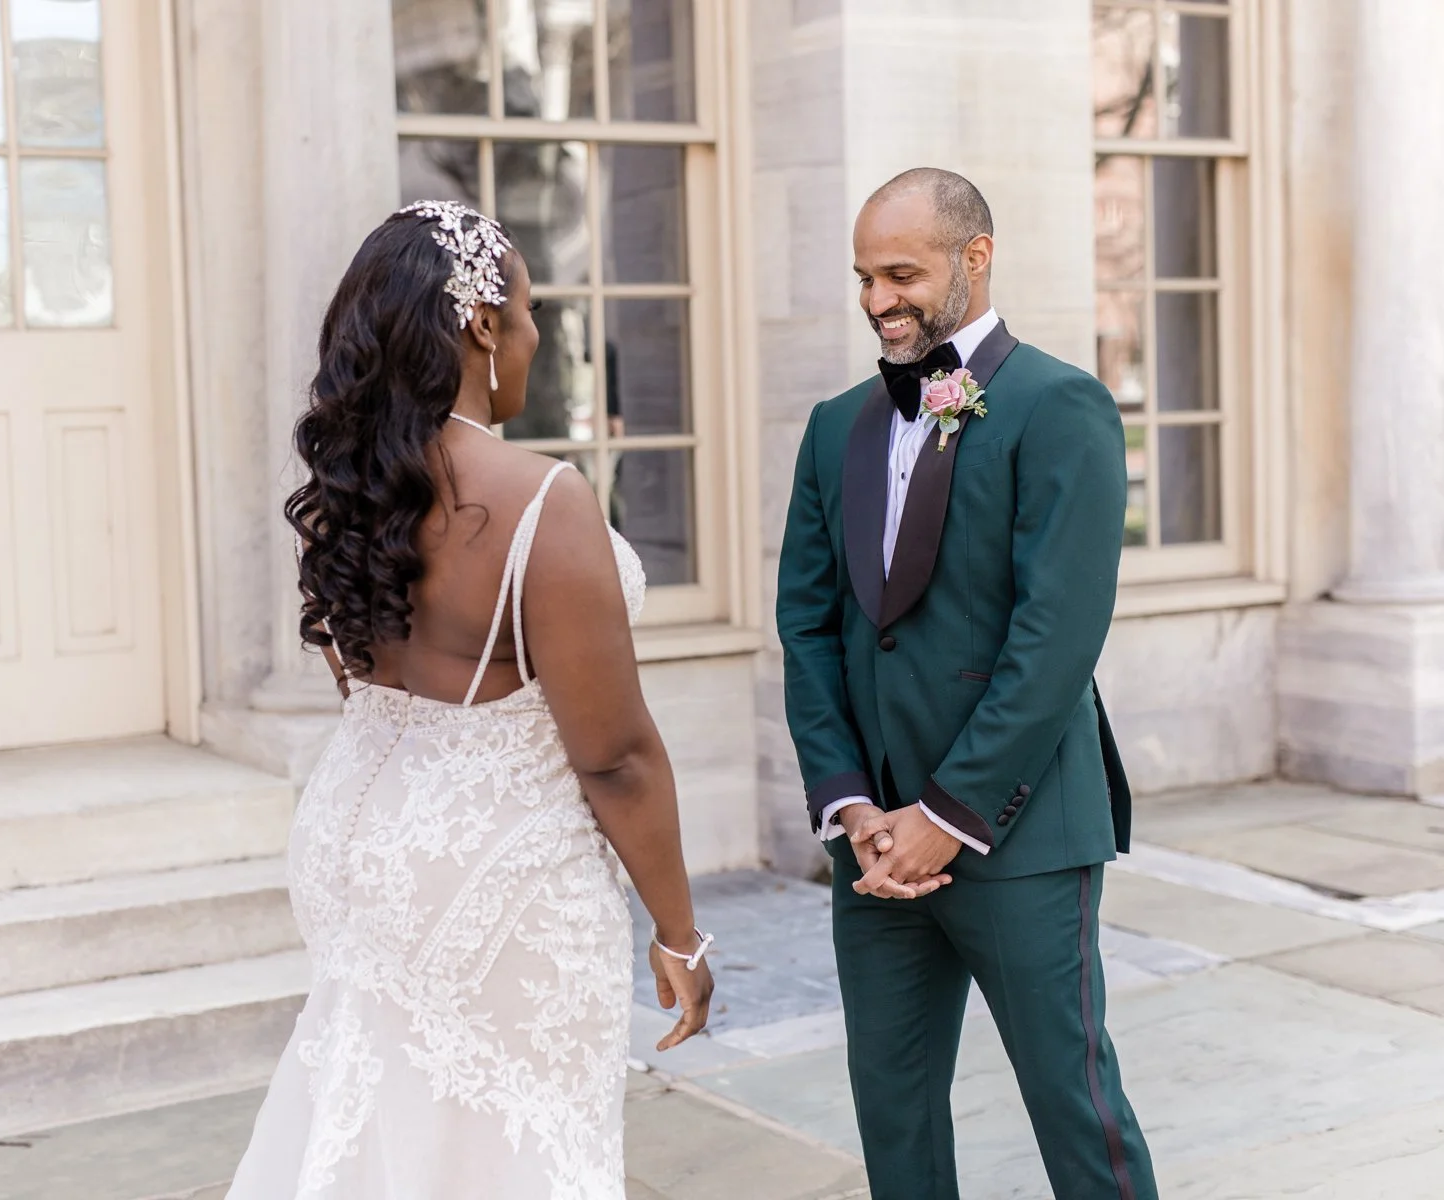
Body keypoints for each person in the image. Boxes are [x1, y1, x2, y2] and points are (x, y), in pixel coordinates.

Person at [226, 200, 713, 1200]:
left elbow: (368, 686)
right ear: (484, 326)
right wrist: (679, 933)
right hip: (494, 878)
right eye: (530, 311)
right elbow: (615, 757)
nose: (536, 335)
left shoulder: (349, 488)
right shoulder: (541, 499)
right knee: (515, 1148)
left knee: (382, 1127)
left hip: (354, 850)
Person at [776, 168, 1158, 1199]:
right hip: (874, 850)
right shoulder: (834, 426)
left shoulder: (1061, 406)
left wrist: (948, 814)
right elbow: (808, 627)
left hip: (1018, 834)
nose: (877, 299)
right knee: (893, 1117)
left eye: (901, 274)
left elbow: (1057, 636)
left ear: (975, 258)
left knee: (1078, 1112)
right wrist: (851, 805)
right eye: (864, 277)